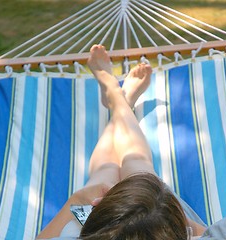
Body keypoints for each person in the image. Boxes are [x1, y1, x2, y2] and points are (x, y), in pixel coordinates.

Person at [36, 44, 208, 239]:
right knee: (136, 167)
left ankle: (115, 94)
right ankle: (121, 101)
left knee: (109, 173)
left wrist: (78, 198)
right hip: (160, 221)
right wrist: (172, 218)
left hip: (137, 222)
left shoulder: (77, 234)